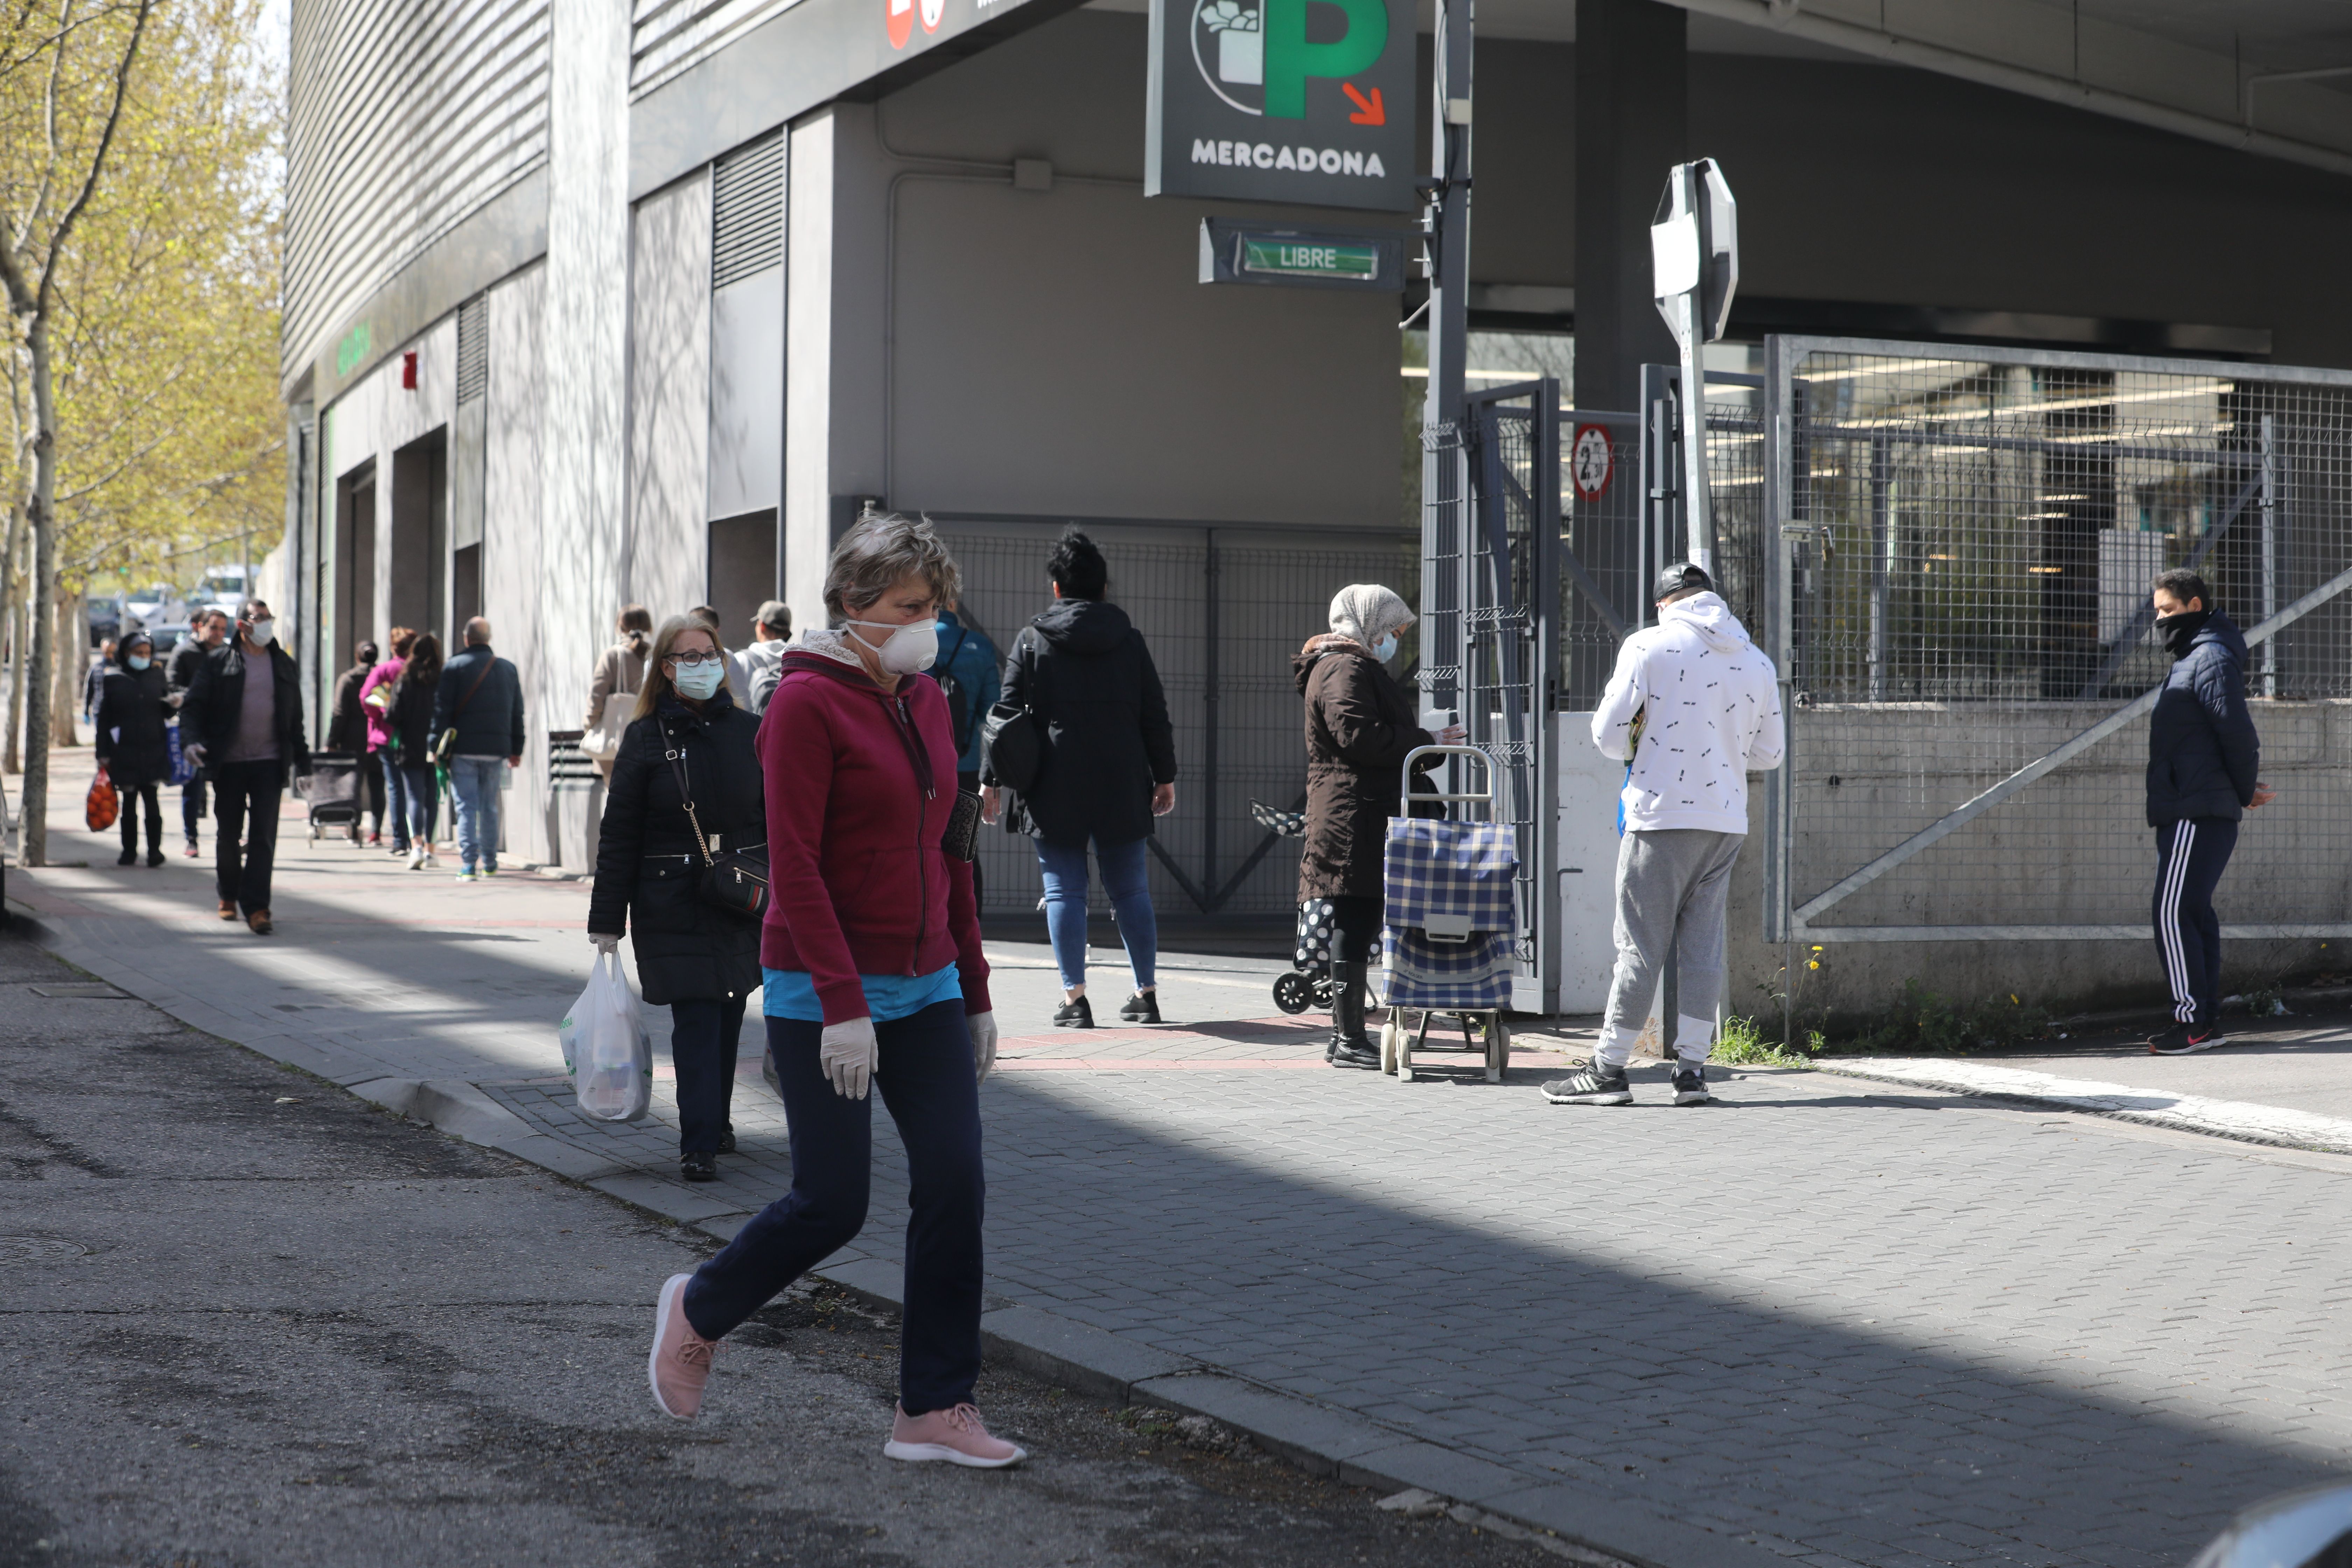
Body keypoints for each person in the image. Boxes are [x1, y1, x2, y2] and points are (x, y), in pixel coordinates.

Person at [646, 512, 1017, 1469]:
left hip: (926, 982)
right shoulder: (806, 708)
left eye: (932, 608)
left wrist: (973, 987)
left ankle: (935, 1407)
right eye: (906, 608)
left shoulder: (929, 700)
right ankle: (699, 1308)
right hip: (825, 990)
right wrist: (842, 1004)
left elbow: (952, 851)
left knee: (955, 1183)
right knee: (832, 1203)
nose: (925, 625)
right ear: (852, 609)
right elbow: (798, 867)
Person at [1545, 564, 1784, 1108]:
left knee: (1638, 947)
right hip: (1725, 821)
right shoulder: (1755, 659)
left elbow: (1607, 737)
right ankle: (1693, 1073)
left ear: (1663, 604)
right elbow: (1770, 754)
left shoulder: (1648, 646)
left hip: (1660, 816)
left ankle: (1607, 1070)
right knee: (1702, 949)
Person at [588, 616, 764, 1181]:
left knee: (731, 1006)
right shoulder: (644, 738)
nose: (700, 665)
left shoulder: (749, 731)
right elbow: (620, 835)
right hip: (670, 902)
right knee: (697, 1017)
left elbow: (772, 819)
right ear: (665, 668)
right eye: (686, 657)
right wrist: (607, 921)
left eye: (708, 653)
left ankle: (718, 1121)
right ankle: (698, 1143)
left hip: (736, 898)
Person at [979, 527, 1176, 1029]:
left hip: (1054, 779)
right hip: (1123, 776)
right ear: (1104, 588)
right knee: (1131, 888)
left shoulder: (1032, 640)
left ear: (1056, 588)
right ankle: (1146, 995)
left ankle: (1075, 1000)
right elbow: (1154, 713)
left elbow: (1003, 715)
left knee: (1064, 890)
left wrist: (991, 779)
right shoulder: (1129, 641)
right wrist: (1165, 775)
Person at [1294, 586, 1465, 1068]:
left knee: (1360, 914)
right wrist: (1425, 739)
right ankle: (1348, 1038)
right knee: (1354, 915)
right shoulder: (1343, 669)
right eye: (1392, 630)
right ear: (1367, 625)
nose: (1395, 640)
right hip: (1354, 814)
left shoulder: (1348, 667)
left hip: (1360, 810)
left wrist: (1424, 743)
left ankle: (1346, 1037)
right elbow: (1359, 737)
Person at [2143, 568, 2274, 1055]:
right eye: (2157, 611)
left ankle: (2191, 1021)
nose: (2160, 620)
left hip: (2193, 809)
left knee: (2172, 912)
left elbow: (2236, 732)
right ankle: (2205, 1021)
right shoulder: (2196, 658)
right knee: (2192, 914)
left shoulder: (2209, 658)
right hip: (2192, 804)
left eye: (2168, 611)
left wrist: (2242, 791)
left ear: (2194, 606)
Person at [182, 599, 312, 935]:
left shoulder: (282, 664)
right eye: (260, 619)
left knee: (263, 838)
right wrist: (191, 741)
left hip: (269, 762)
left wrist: (304, 762)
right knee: (228, 836)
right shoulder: (218, 662)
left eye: (270, 618)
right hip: (229, 763)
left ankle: (257, 908)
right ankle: (228, 894)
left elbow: (294, 717)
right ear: (243, 625)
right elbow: (193, 707)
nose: (267, 624)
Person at [434, 616, 525, 881]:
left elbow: (442, 712)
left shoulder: (454, 667)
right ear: (489, 639)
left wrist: (435, 745)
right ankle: (490, 862)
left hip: (463, 749)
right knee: (489, 807)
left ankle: (468, 865)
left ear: (467, 638)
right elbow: (517, 712)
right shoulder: (508, 669)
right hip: (496, 749)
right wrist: (516, 748)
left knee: (465, 807)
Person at [929, 596, 999, 904]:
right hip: (965, 766)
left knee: (921, 847)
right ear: (954, 602)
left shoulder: (914, 644)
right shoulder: (981, 648)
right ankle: (970, 932)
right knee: (964, 851)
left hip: (921, 769)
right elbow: (992, 712)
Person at [94, 631, 171, 868]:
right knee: (129, 805)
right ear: (127, 654)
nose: (144, 657)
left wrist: (174, 705)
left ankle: (155, 852)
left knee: (152, 803)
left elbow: (166, 710)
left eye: (147, 653)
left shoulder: (157, 675)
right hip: (124, 752)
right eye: (139, 654)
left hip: (153, 750)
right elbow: (104, 719)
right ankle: (129, 852)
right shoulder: (114, 678)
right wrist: (102, 752)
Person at [166, 609, 230, 857]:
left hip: (222, 730)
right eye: (214, 628)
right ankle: (191, 839)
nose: (218, 634)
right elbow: (170, 685)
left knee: (227, 787)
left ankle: (229, 836)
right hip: (193, 728)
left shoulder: (227, 654)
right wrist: (197, 696)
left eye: (223, 630)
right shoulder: (184, 653)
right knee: (192, 786)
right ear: (199, 627)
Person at [384, 632, 446, 869]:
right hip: (437, 747)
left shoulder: (405, 678)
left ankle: (416, 847)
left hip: (410, 745)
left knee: (414, 797)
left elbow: (393, 715)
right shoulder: (444, 678)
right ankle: (431, 850)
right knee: (433, 799)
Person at [359, 630, 418, 858]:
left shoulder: (385, 670)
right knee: (415, 788)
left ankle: (400, 840)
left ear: (394, 648)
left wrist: (379, 715)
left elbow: (366, 697)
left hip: (386, 735)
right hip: (415, 735)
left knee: (395, 787)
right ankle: (418, 839)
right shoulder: (418, 670)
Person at [328, 637, 388, 845]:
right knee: (377, 786)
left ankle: (354, 828)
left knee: (353, 786)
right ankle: (377, 831)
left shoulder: (349, 679)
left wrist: (332, 741)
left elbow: (339, 713)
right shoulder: (383, 678)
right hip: (378, 737)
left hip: (352, 740)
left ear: (357, 656)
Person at [585, 606, 652, 781]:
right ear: (648, 627)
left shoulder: (613, 656)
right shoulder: (656, 656)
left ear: (620, 627)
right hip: (652, 743)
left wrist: (589, 727)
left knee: (619, 800)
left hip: (616, 746)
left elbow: (596, 699)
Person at [730, 599, 793, 718]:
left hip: (754, 730)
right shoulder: (796, 658)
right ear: (787, 632)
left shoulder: (742, 659)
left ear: (762, 626)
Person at [83, 639, 115, 723]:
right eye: (107, 652)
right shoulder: (95, 668)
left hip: (115, 712)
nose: (110, 655)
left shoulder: (119, 668)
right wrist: (86, 710)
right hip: (99, 711)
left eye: (112, 652)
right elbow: (89, 690)